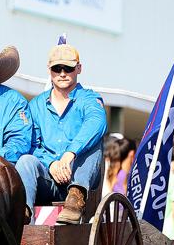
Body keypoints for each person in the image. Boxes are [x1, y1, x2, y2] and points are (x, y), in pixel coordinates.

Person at [15, 43, 107, 224]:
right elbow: (32, 143)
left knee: (93, 144)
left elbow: (97, 122)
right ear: (50, 70)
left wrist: (69, 154)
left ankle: (76, 197)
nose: (63, 73)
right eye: (57, 68)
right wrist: (51, 164)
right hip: (48, 178)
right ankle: (23, 214)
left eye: (68, 68)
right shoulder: (35, 105)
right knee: (25, 160)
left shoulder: (89, 99)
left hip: (80, 175)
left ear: (79, 69)